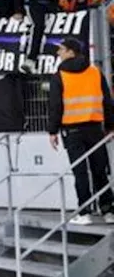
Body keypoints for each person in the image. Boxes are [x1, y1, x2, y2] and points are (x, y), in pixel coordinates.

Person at [47, 38, 114, 224]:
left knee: (80, 172)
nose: (58, 53)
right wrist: (110, 126)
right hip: (95, 128)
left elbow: (55, 106)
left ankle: (84, 213)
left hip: (72, 130)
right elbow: (107, 101)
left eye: (61, 50)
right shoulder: (95, 72)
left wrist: (52, 131)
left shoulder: (59, 76)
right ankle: (108, 210)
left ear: (71, 52)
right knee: (100, 170)